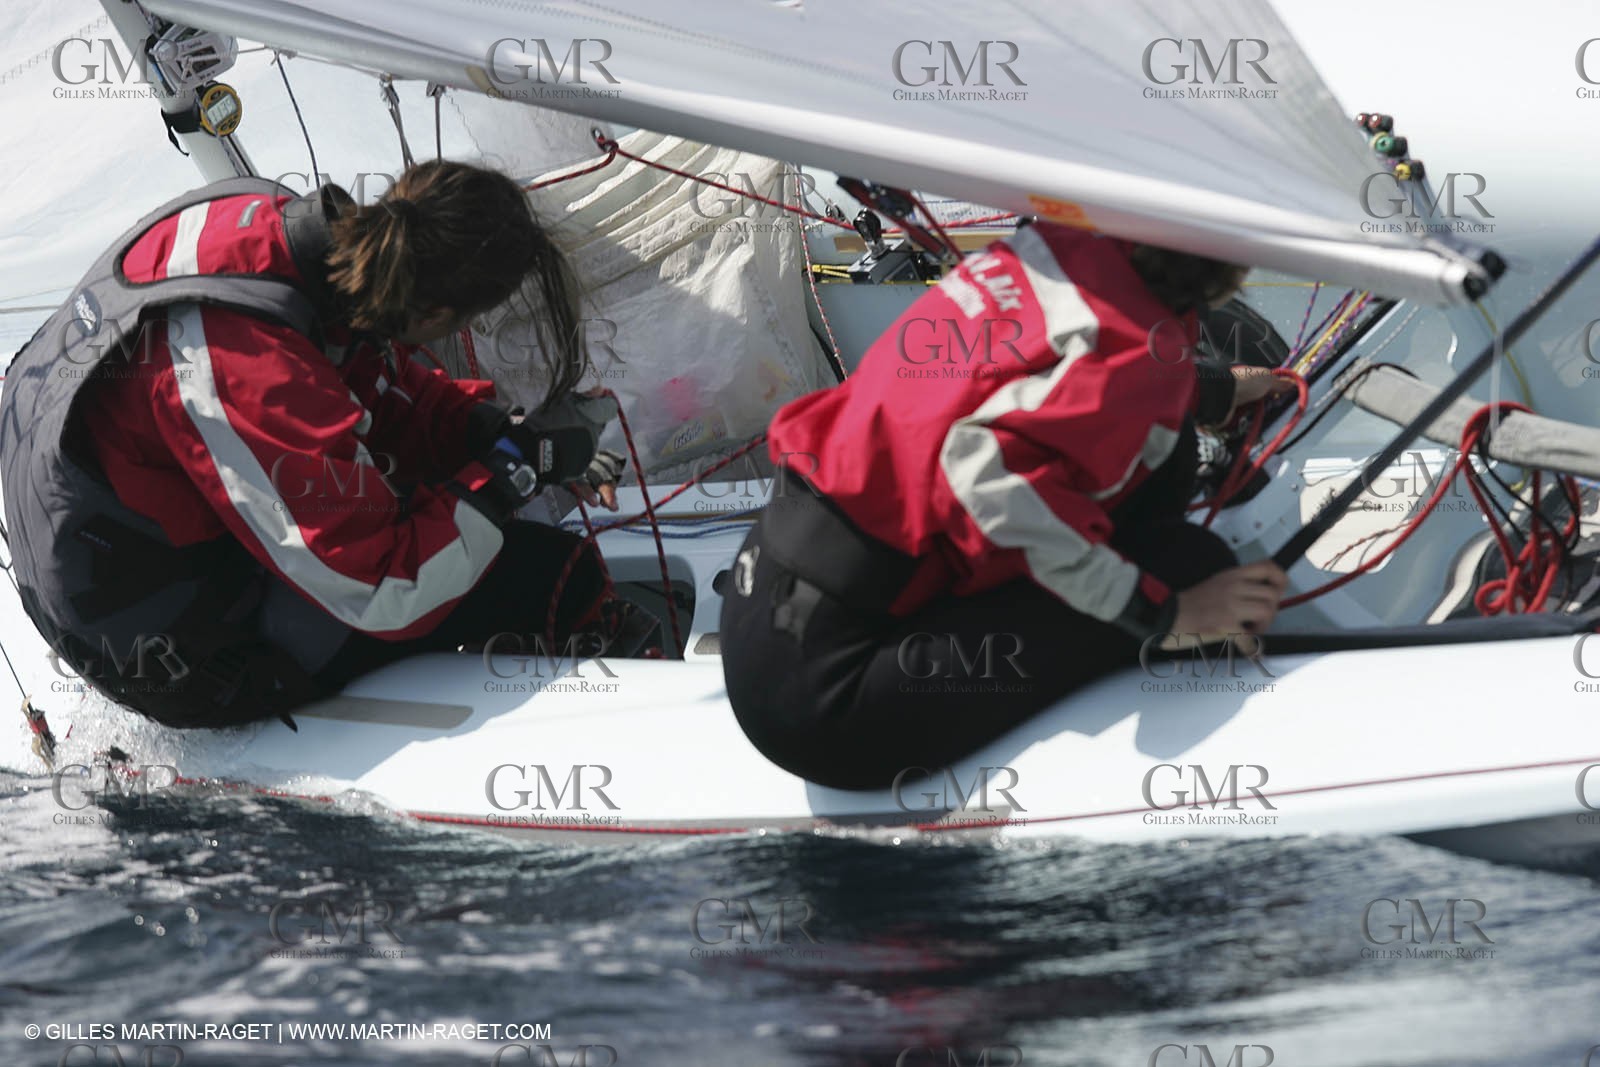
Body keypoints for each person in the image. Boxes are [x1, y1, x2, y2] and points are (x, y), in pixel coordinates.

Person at [0, 160, 652, 730]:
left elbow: (364, 374)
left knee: (463, 525)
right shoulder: (243, 367)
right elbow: (385, 591)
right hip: (171, 644)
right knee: (550, 577)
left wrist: (484, 434)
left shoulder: (275, 233)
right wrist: (509, 476)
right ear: (431, 317)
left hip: (112, 536)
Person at [719, 221, 1292, 791]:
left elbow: (1055, 365)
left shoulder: (1048, 252)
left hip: (774, 588)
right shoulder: (1128, 351)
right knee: (1191, 565)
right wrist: (1166, 615)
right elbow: (984, 468)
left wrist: (1211, 392)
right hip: (826, 695)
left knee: (1170, 453)